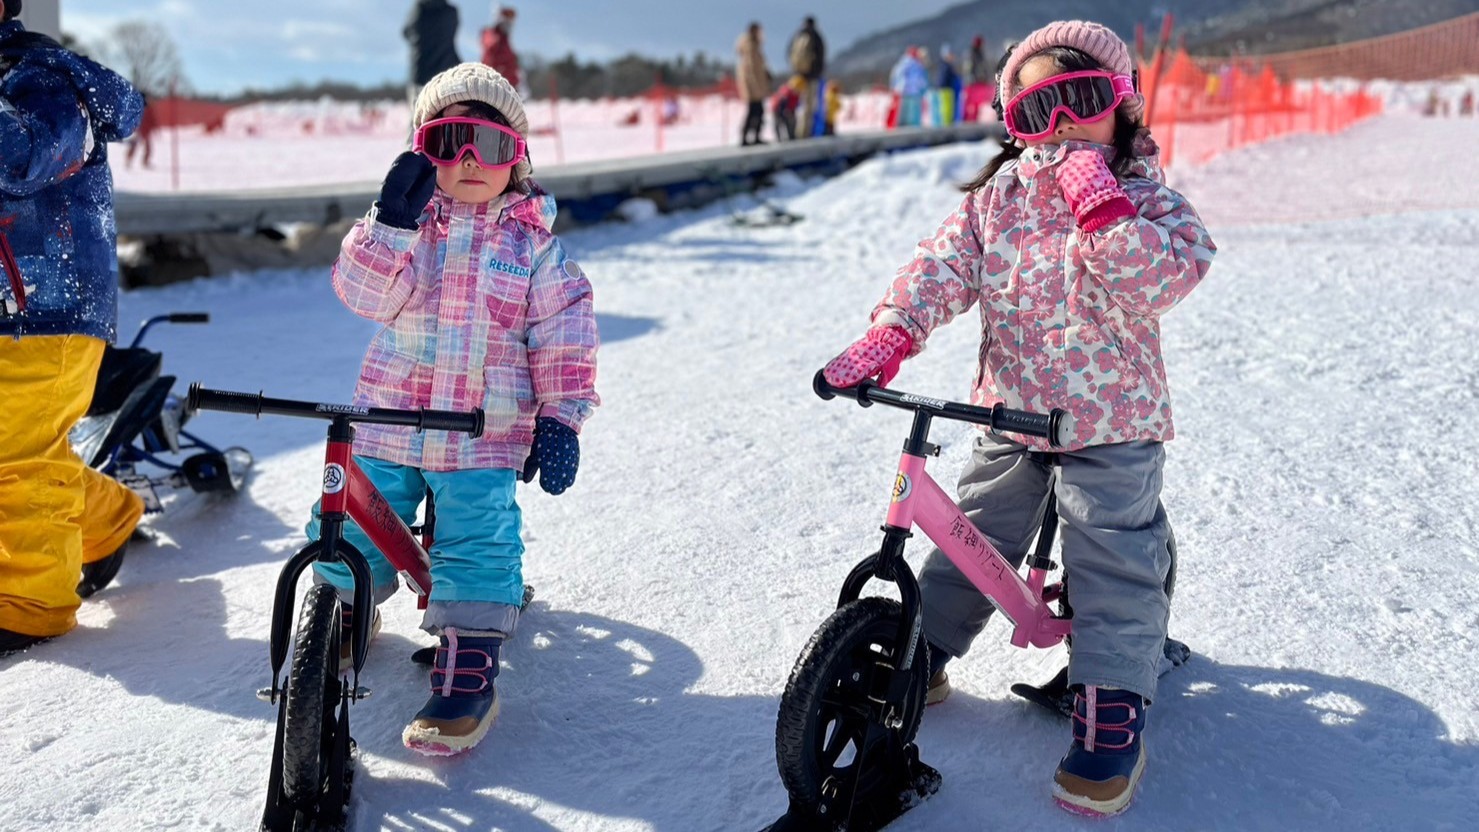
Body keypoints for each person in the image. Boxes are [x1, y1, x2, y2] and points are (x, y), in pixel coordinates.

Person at [819, 20, 1215, 818]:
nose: (1062, 124)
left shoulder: (1146, 201)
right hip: (1013, 408)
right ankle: (921, 652)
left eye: (1080, 99)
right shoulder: (994, 202)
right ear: (1015, 128)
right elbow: (940, 267)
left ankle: (1110, 702)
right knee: (974, 531)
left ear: (1121, 107)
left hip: (1112, 422)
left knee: (1109, 556)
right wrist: (893, 330)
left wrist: (1103, 212)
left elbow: (1166, 280)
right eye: (1037, 112)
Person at [315, 62, 598, 756]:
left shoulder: (536, 250)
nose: (471, 162)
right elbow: (362, 295)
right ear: (421, 153)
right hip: (389, 419)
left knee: (476, 540)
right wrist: (387, 225)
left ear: (518, 160)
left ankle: (468, 662)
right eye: (450, 143)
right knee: (354, 523)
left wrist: (560, 417)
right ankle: (342, 611)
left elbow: (565, 335)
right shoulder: (409, 230)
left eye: (492, 147)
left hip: (482, 432)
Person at [0, 1, 146, 655]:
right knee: (22, 452)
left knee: (18, 456)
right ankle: (106, 518)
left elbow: (26, 160)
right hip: (13, 307)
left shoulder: (44, 78)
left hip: (48, 306)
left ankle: (29, 604)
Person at [403, 0, 460, 109]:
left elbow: (406, 32)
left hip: (421, 74)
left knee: (417, 118)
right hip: (447, 74)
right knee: (444, 119)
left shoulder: (418, 9)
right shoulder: (451, 12)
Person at [788, 15, 825, 137]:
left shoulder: (797, 36)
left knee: (793, 105)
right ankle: (805, 133)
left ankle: (792, 131)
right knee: (808, 106)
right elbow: (820, 56)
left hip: (798, 75)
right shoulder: (816, 37)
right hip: (811, 76)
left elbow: (788, 53)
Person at [735, 21, 770, 146]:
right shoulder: (750, 47)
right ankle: (747, 137)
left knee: (756, 112)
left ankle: (753, 136)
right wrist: (755, 86)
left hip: (755, 85)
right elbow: (750, 68)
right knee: (755, 111)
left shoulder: (754, 46)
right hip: (753, 86)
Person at [479, 5, 520, 90]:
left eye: (509, 22)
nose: (508, 25)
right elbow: (490, 48)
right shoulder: (490, 34)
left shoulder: (506, 40)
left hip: (511, 87)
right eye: (506, 22)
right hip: (494, 85)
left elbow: (511, 65)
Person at [888, 47, 928, 127]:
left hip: (907, 91)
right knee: (911, 112)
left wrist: (895, 87)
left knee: (908, 111)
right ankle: (911, 125)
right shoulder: (911, 64)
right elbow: (920, 79)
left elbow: (894, 76)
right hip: (911, 91)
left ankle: (907, 125)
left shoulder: (904, 63)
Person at [125, 93, 159, 169]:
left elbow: (153, 120)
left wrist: (156, 128)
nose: (151, 101)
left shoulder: (150, 109)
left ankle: (145, 162)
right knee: (135, 146)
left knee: (148, 147)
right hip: (140, 130)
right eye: (150, 99)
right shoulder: (140, 108)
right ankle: (128, 160)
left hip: (146, 131)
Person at [771, 75, 801, 141]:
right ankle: (781, 138)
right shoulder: (788, 92)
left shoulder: (794, 93)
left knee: (790, 122)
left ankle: (791, 136)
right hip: (779, 109)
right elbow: (782, 102)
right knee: (782, 123)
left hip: (787, 109)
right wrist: (786, 111)